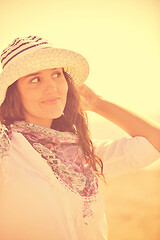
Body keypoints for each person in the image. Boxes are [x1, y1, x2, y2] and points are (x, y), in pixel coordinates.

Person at [0, 36, 159, 240]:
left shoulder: (83, 155)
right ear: (14, 93)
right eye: (35, 79)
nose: (53, 88)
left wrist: (97, 103)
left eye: (57, 74)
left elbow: (155, 142)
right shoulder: (8, 149)